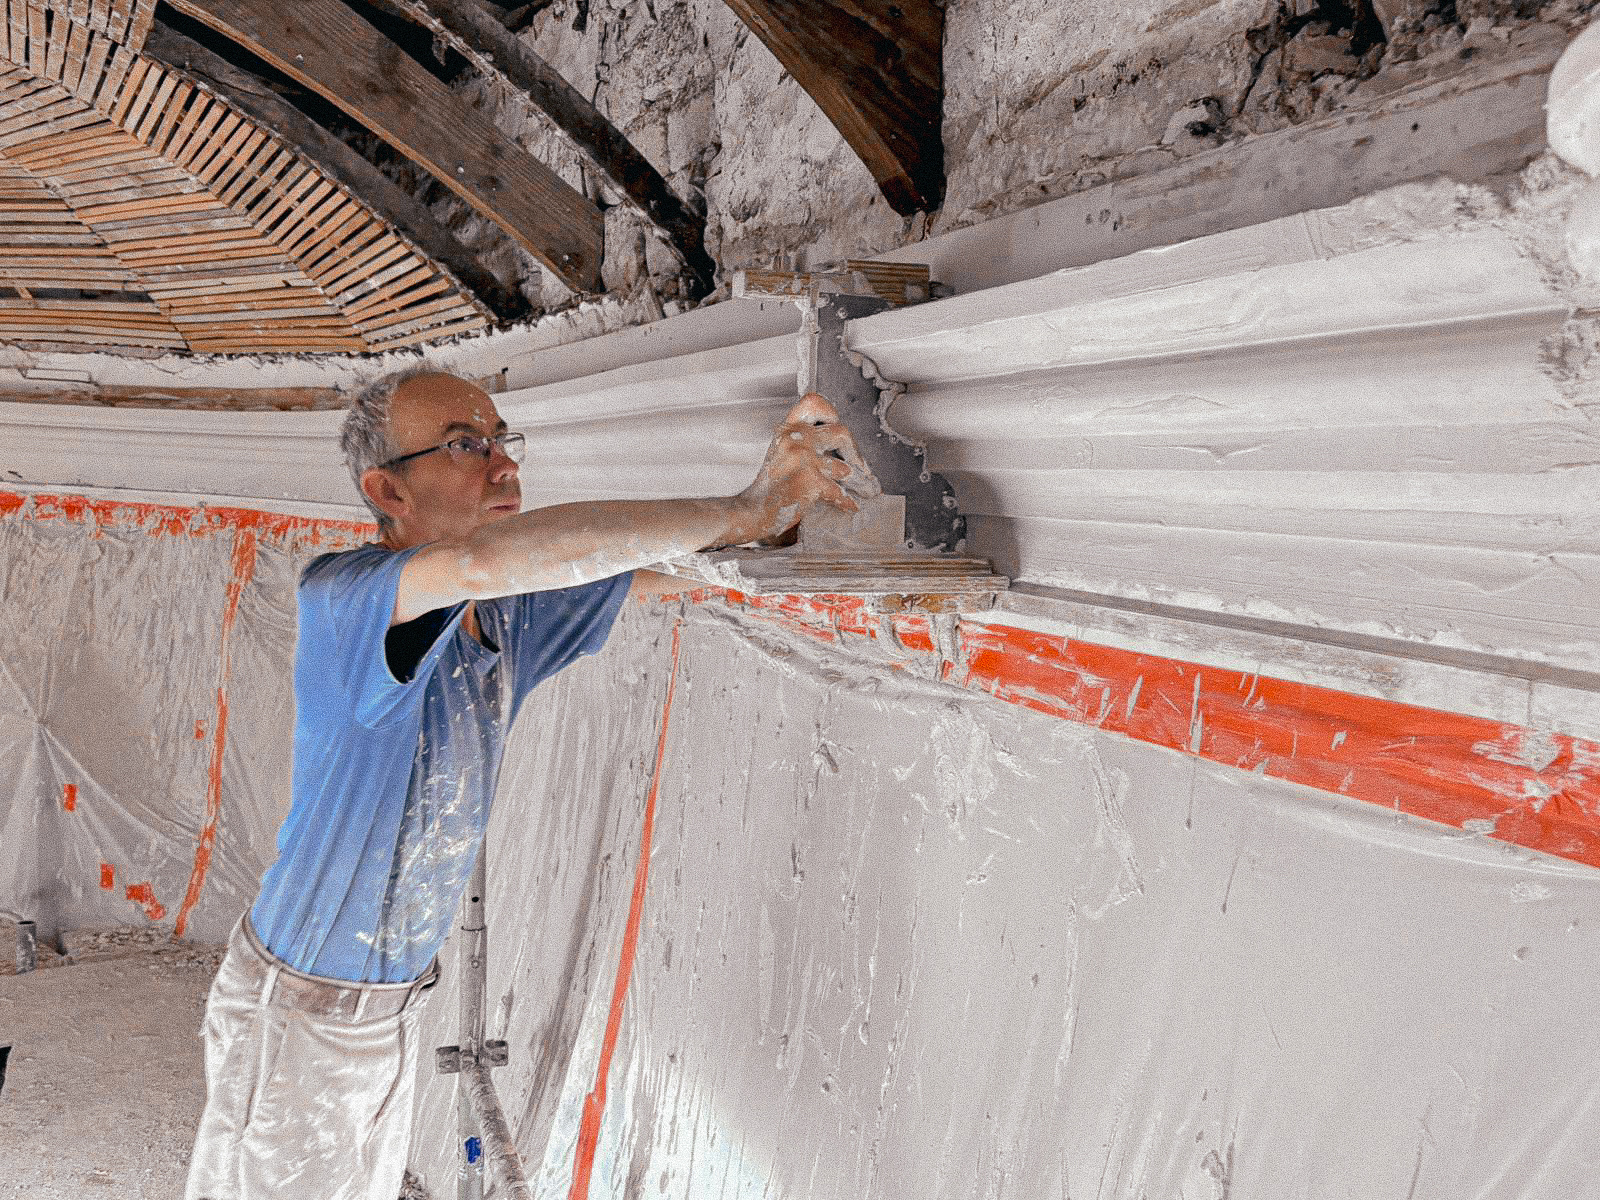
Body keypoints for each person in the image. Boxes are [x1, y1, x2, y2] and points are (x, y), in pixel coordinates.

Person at [184, 366, 861, 1200]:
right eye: (467, 446)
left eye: (504, 442)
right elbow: (479, 561)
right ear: (385, 490)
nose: (503, 465)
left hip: (386, 1007)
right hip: (301, 1011)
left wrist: (790, 521)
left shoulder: (505, 616)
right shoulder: (347, 595)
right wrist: (746, 506)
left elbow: (661, 567)